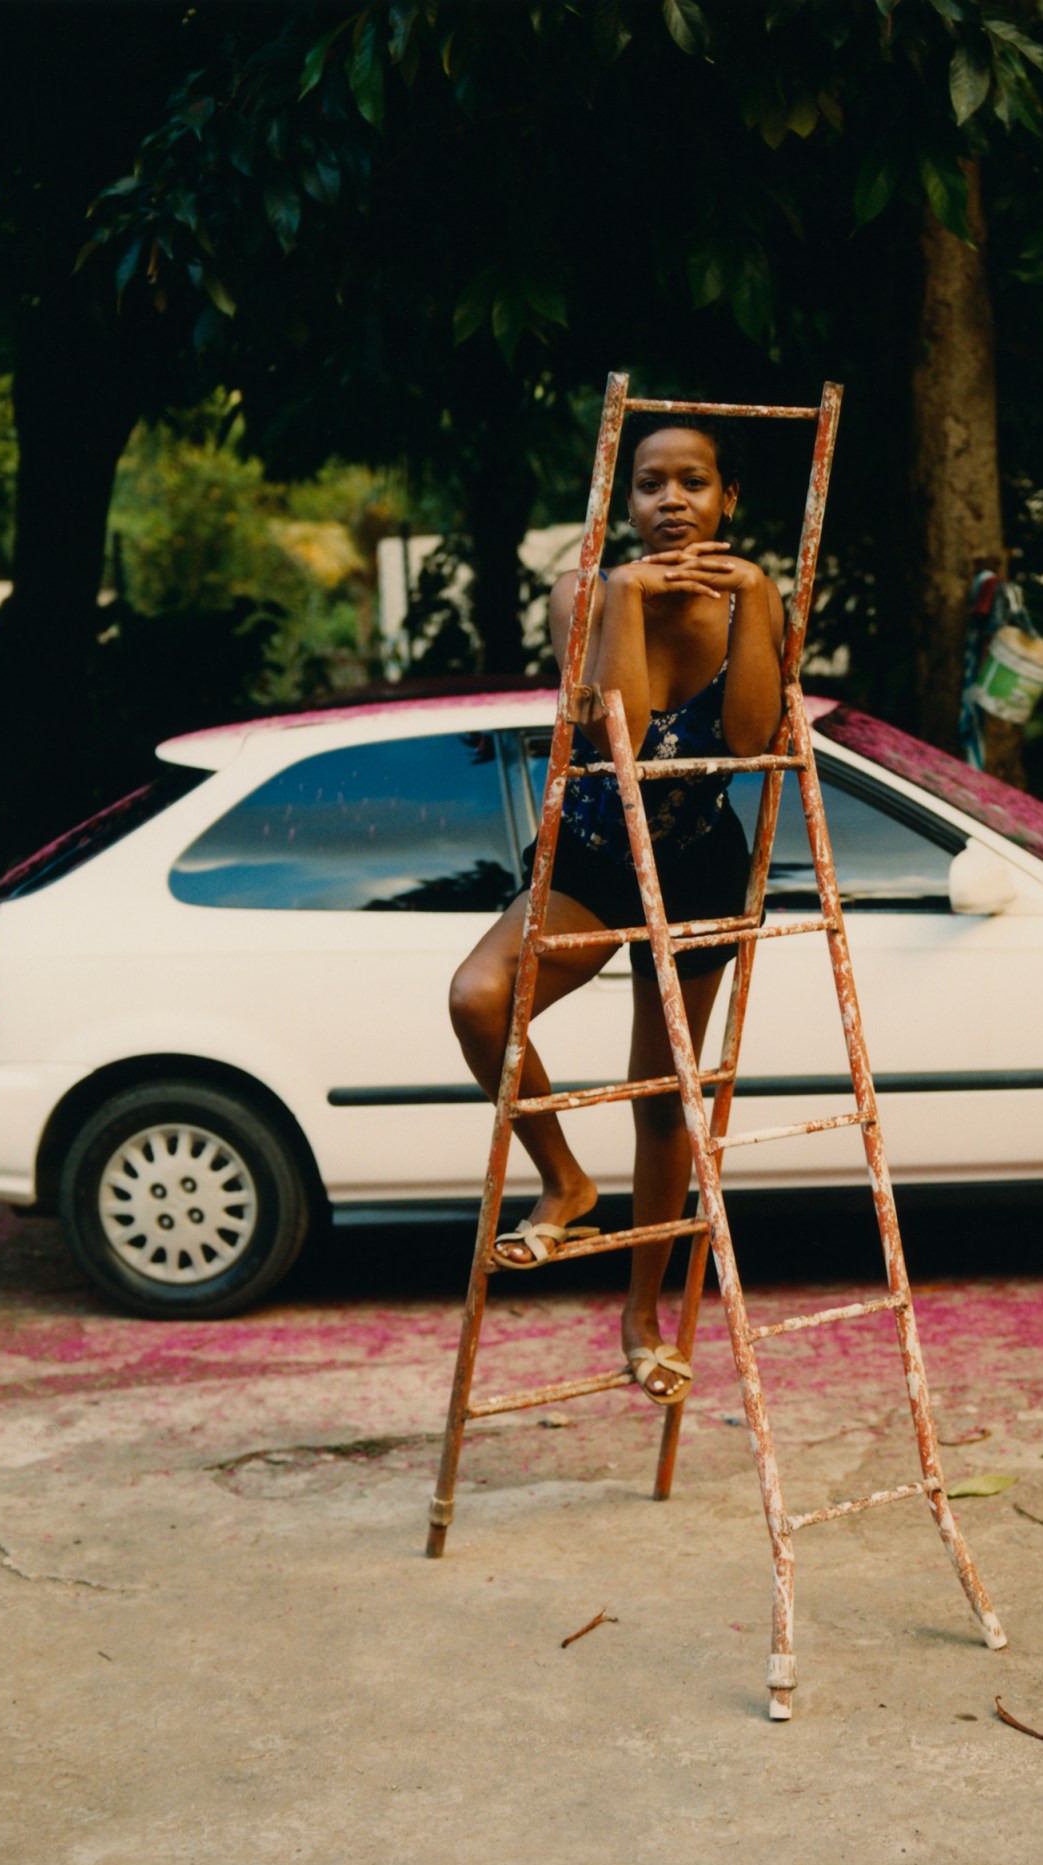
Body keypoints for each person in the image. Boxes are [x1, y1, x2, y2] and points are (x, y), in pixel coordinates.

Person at [448, 418, 785, 1407]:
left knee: (662, 1097)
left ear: (728, 500)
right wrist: (629, 602)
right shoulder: (585, 593)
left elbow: (752, 740)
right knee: (478, 998)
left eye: (693, 483)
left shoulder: (751, 595)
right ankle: (566, 1181)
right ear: (625, 501)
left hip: (698, 869)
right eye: (649, 484)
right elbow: (621, 739)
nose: (671, 501)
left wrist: (757, 597)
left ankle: (640, 1316)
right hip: (596, 855)